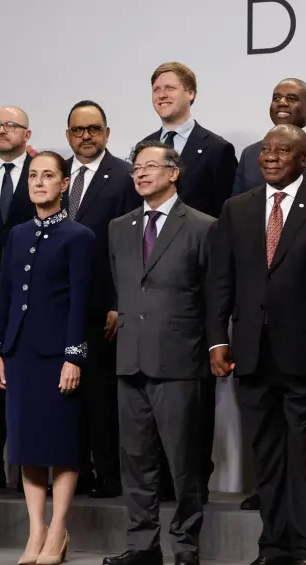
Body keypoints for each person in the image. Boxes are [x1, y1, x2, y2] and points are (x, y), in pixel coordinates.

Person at [208, 125, 306, 565]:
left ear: (305, 159)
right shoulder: (236, 209)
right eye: (266, 150)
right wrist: (217, 339)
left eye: (283, 151)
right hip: (252, 355)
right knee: (267, 460)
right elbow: (220, 280)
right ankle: (274, 548)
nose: (271, 157)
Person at [103, 140, 214, 565]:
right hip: (129, 359)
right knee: (136, 462)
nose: (141, 173)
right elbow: (123, 286)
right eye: (136, 167)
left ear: (174, 173)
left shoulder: (203, 226)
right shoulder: (119, 227)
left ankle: (186, 547)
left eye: (150, 166)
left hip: (181, 360)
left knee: (185, 463)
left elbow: (213, 296)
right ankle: (142, 547)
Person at [0, 151, 95, 565]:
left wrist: (74, 357)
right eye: (34, 176)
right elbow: (7, 294)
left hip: (57, 355)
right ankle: (36, 532)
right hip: (20, 354)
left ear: (64, 184)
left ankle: (58, 531)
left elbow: (81, 302)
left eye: (48, 175)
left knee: (61, 445)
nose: (39, 182)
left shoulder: (79, 236)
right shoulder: (16, 234)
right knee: (28, 445)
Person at [141, 60, 236, 503]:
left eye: (171, 88)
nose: (162, 95)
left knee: (190, 397)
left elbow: (225, 223)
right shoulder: (143, 149)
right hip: (149, 296)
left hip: (195, 291)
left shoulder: (215, 149)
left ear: (191, 93)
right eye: (156, 89)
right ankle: (158, 482)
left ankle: (192, 479)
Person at [63, 100, 141, 498]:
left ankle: (109, 476)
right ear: (68, 135)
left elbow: (131, 248)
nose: (86, 136)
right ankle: (73, 473)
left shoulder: (125, 177)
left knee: (101, 399)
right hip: (61, 307)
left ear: (107, 134)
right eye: (78, 130)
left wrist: (118, 302)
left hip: (103, 308)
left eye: (94, 129)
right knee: (65, 397)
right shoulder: (55, 175)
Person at [0, 105, 36, 491]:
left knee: (26, 387)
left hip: (27, 293)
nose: (2, 130)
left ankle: (30, 472)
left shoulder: (41, 172)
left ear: (27, 134)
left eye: (10, 125)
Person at [232, 78, 306, 199]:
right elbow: (236, 209)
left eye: (291, 98)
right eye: (276, 98)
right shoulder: (249, 154)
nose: (282, 103)